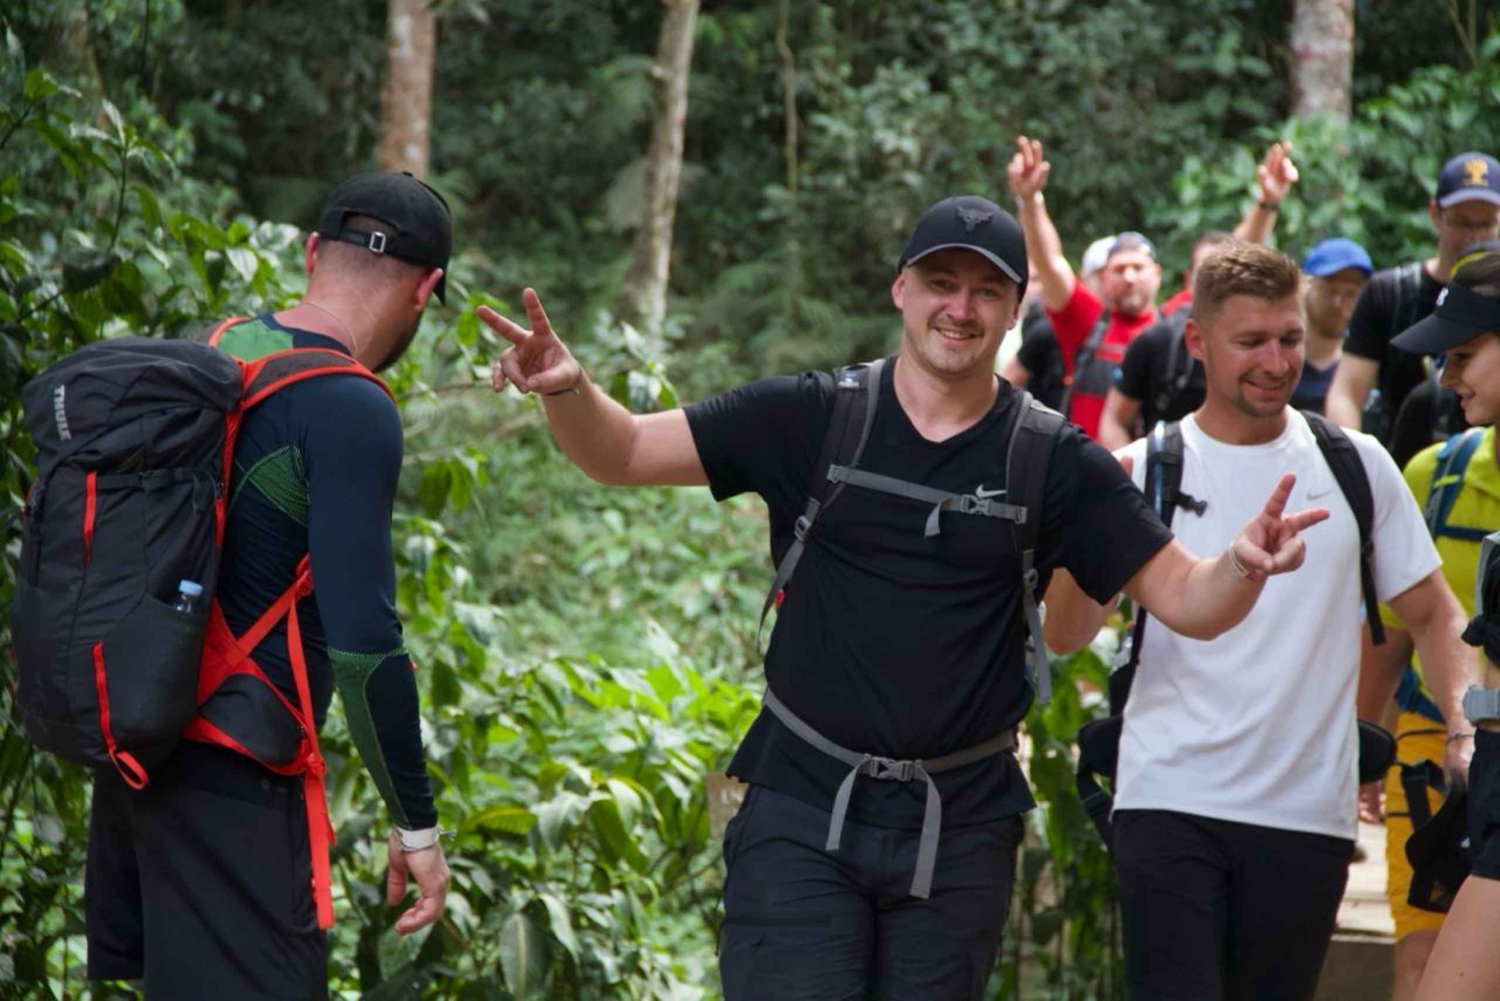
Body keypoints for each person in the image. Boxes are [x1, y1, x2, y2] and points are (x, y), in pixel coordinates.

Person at [482, 196, 1328, 1000]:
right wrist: (567, 387)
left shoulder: (1053, 458)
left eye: (986, 290)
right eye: (941, 283)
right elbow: (623, 451)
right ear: (900, 289)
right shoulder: (811, 414)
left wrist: (1243, 564)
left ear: (1013, 307)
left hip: (957, 829)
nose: (961, 308)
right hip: (801, 803)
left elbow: (1185, 594)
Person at [1044, 242, 1474, 1001]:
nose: (1275, 362)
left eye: (1289, 339)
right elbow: (1063, 633)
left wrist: (1464, 728)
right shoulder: (1144, 470)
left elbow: (1436, 614)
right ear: (1199, 343)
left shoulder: (1357, 465)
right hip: (1168, 795)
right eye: (1250, 342)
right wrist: (1085, 536)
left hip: (1306, 809)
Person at [85, 172, 453, 999]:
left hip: (134, 760)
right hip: (238, 780)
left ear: (313, 250)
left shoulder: (209, 348)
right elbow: (364, 645)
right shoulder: (351, 405)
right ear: (427, 291)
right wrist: (415, 821)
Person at [1356, 253, 1499, 1001]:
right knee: (1427, 973)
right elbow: (1396, 629)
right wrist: (1360, 747)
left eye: (1464, 353)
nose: (1446, 378)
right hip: (1447, 761)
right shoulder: (1430, 473)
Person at [1013, 136, 1298, 440]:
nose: (1130, 277)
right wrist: (1030, 201)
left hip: (1147, 474)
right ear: (1103, 278)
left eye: (1139, 267)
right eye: (1120, 269)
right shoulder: (1086, 323)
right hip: (1080, 472)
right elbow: (1049, 261)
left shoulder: (1173, 325)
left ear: (1158, 275)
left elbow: (1231, 263)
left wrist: (1267, 203)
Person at [1326, 152, 1500, 442]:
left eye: (1487, 224)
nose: (1477, 237)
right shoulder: (1390, 294)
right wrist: (1351, 464)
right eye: (1464, 224)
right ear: (1435, 214)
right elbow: (1346, 393)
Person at [1290, 237, 1374, 414]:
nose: (1339, 303)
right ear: (1305, 286)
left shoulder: (1369, 365)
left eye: (1351, 294)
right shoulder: (1281, 360)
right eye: (1331, 290)